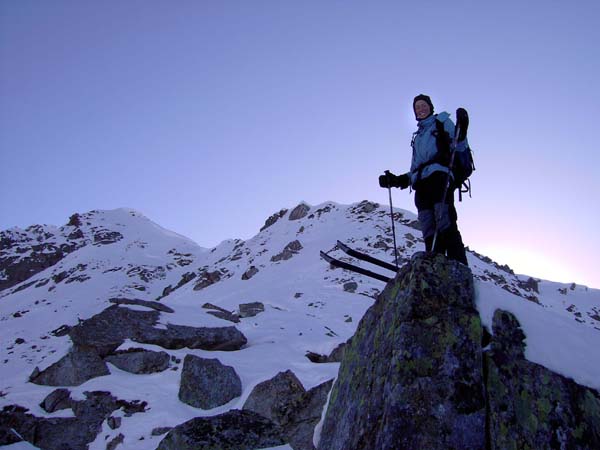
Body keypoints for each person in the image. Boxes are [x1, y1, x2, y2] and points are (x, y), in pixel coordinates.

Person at [379, 94, 468, 265]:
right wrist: (396, 180)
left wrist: (462, 129)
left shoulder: (441, 122)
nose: (420, 109)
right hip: (421, 185)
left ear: (430, 107)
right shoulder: (418, 136)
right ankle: (435, 268)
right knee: (428, 227)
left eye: (423, 105)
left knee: (445, 222)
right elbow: (415, 169)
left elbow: (459, 144)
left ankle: (460, 267)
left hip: (439, 178)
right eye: (417, 107)